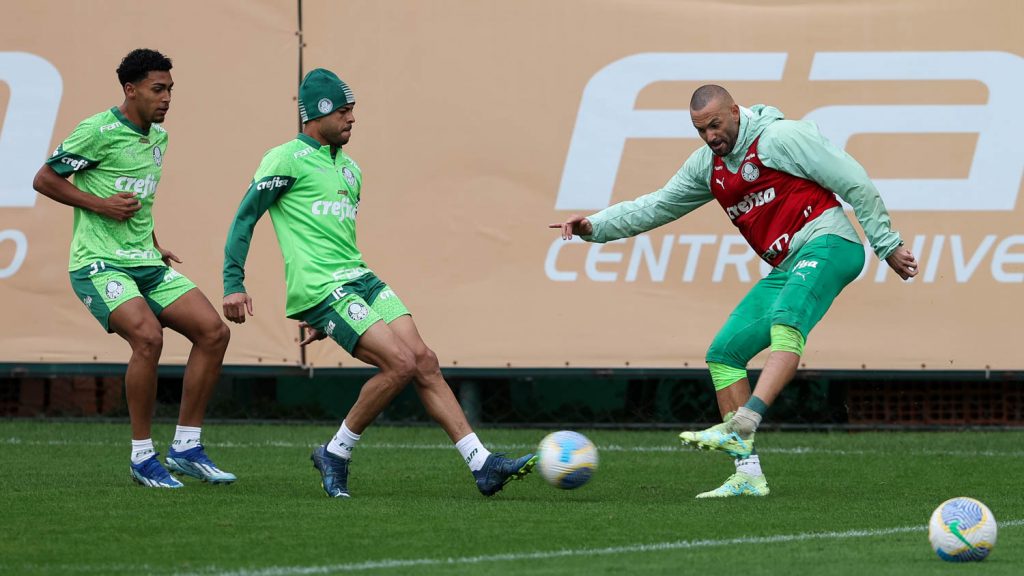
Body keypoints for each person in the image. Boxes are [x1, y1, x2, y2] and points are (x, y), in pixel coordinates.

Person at [551, 84, 918, 498]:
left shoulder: (780, 138)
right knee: (724, 354)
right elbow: (656, 205)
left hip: (831, 244)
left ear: (735, 113)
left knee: (785, 321)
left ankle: (746, 421)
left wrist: (886, 245)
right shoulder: (707, 166)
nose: (710, 136)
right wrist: (595, 227)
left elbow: (854, 181)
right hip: (787, 265)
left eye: (715, 124)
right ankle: (747, 475)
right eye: (700, 130)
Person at [222, 68, 536, 498]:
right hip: (321, 289)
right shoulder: (284, 159)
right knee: (400, 365)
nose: (353, 120)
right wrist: (233, 283)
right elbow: (244, 218)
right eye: (345, 112)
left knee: (423, 359)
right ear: (318, 113)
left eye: (354, 112)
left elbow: (332, 239)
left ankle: (482, 464)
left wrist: (332, 320)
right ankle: (336, 452)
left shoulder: (352, 171)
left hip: (360, 281)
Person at [32, 48, 235, 488]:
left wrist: (155, 244)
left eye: (170, 90)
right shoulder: (98, 130)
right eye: (157, 89)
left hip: (144, 261)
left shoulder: (158, 138)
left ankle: (185, 446)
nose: (166, 99)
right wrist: (100, 205)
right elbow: (44, 179)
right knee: (148, 337)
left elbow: (138, 201)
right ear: (131, 89)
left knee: (214, 332)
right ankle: (142, 455)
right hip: (98, 263)